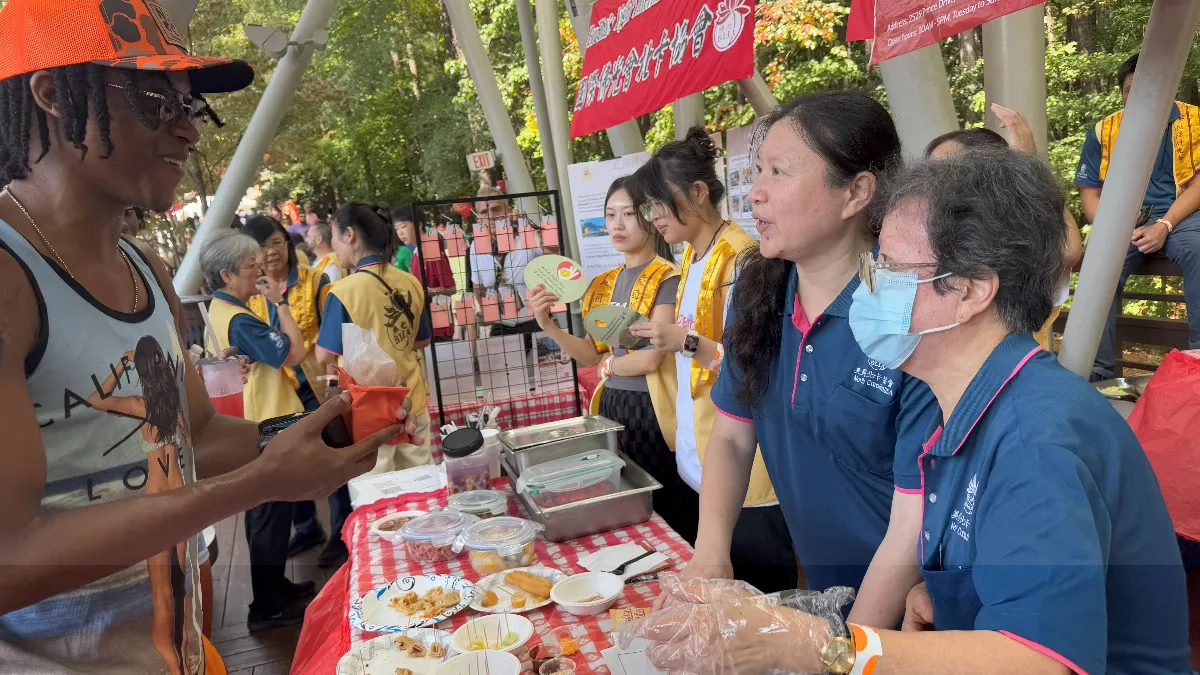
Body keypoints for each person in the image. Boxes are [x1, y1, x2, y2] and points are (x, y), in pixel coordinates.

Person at [628, 147, 1191, 675]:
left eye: (890, 270)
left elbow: (1040, 661)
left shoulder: (1034, 437)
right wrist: (951, 599)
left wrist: (814, 645)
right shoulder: (964, 410)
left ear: (970, 291)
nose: (866, 290)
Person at [0, 0, 417, 671]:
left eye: (189, 106)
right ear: (51, 93)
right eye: (154, 97)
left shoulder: (146, 270)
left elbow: (191, 432)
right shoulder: (9, 275)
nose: (189, 131)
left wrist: (328, 429)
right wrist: (257, 484)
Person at [678, 93, 940, 625]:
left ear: (857, 193)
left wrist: (851, 647)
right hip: (827, 599)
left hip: (916, 614)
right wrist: (710, 552)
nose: (755, 193)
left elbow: (912, 522)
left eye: (778, 172)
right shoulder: (759, 291)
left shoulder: (911, 317)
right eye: (757, 172)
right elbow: (731, 434)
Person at [625, 127, 794, 591]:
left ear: (698, 192)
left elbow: (756, 368)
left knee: (759, 597)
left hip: (747, 471)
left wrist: (683, 341)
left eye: (658, 203)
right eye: (647, 208)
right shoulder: (693, 260)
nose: (652, 217)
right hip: (703, 457)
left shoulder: (743, 260)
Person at [525, 176, 691, 535]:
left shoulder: (669, 278)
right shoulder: (603, 283)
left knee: (665, 505)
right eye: (610, 214)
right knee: (622, 504)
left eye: (629, 214)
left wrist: (610, 365)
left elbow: (650, 358)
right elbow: (589, 354)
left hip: (654, 410)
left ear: (650, 217)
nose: (617, 224)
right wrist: (549, 326)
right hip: (611, 405)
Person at [1077, 52, 1200, 381]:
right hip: (1123, 220)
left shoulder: (1195, 120)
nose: (1141, 95)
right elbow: (1090, 193)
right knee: (1099, 266)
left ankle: (1197, 365)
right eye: (1132, 88)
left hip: (1182, 215)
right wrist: (1111, 228)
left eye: (1150, 86)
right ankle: (1097, 375)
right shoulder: (1104, 131)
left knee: (1199, 251)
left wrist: (1165, 224)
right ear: (1122, 91)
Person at [926, 104, 1083, 351]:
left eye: (952, 172)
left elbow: (1067, 250)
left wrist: (1028, 168)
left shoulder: (1012, 229)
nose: (937, 184)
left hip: (1006, 369)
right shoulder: (923, 229)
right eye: (931, 173)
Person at [241, 215, 339, 562]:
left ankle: (341, 535)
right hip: (275, 393)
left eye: (276, 243)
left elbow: (334, 335)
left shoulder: (315, 281)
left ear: (288, 242)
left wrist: (332, 382)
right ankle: (308, 525)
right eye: (261, 247)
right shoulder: (250, 292)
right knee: (287, 459)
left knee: (330, 455)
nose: (270, 253)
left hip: (314, 384)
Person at [318, 203, 436, 473]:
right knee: (421, 484)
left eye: (334, 237)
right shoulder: (410, 282)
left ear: (350, 235)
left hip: (365, 414)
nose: (334, 246)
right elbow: (421, 340)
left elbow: (324, 354)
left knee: (375, 494)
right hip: (411, 399)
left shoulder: (343, 291)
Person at [470, 187, 542, 337]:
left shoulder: (527, 234)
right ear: (478, 219)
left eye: (496, 210)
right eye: (484, 212)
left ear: (508, 211)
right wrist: (484, 310)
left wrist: (528, 225)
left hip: (538, 321)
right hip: (502, 326)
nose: (491, 217)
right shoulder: (475, 246)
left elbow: (555, 254)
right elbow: (478, 288)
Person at [394, 204, 456, 297]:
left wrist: (421, 292)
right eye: (396, 229)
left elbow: (451, 289)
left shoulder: (433, 253)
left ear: (419, 225)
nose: (400, 233)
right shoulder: (415, 255)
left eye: (403, 227)